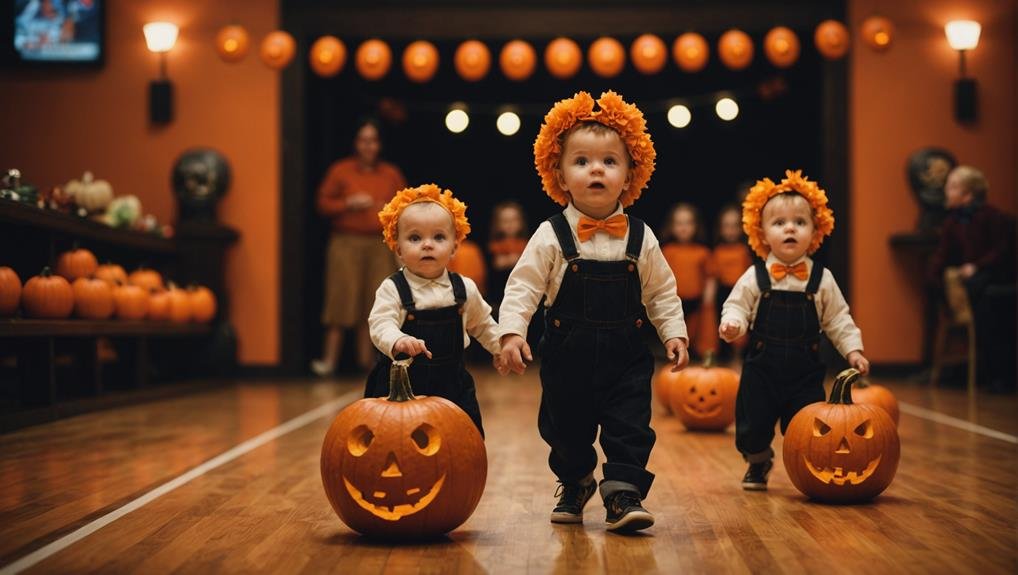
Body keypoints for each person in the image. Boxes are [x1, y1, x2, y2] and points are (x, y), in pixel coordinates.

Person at [498, 91, 689, 533]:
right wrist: (512, 333)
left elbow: (661, 291)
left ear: (629, 175)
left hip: (627, 355)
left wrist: (673, 332)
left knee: (630, 425)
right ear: (560, 176)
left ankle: (624, 492)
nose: (596, 169)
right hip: (568, 355)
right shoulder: (550, 235)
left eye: (609, 161)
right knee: (564, 427)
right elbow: (523, 286)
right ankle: (576, 479)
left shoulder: (642, 237)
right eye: (582, 161)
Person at [719, 170, 869, 491]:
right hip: (762, 368)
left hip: (805, 371)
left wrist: (852, 350)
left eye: (799, 222)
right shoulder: (755, 275)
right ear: (762, 232)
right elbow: (737, 306)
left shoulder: (822, 279)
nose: (790, 228)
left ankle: (810, 466)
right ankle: (758, 462)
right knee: (752, 425)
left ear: (815, 231)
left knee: (808, 426)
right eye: (779, 223)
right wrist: (733, 324)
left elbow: (838, 319)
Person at [366, 184, 503, 435]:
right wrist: (398, 340)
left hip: (453, 384)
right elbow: (379, 324)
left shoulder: (464, 288)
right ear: (398, 249)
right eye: (415, 238)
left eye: (438, 237)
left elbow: (483, 324)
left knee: (463, 439)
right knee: (398, 441)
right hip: (401, 386)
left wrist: (501, 347)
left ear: (454, 247)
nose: (427, 245)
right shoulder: (393, 288)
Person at [312, 118, 407, 376]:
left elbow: (405, 206)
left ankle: (369, 365)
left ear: (379, 145)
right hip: (346, 243)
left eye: (373, 140)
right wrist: (348, 204)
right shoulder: (341, 171)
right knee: (341, 299)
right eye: (364, 140)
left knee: (374, 301)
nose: (369, 146)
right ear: (356, 143)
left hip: (379, 245)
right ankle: (329, 361)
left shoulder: (390, 174)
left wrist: (387, 211)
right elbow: (322, 203)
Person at [927, 165, 1016, 390]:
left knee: (989, 301)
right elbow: (942, 255)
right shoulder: (952, 222)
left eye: (953, 187)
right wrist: (935, 277)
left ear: (968, 194)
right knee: (938, 286)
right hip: (972, 282)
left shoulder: (993, 217)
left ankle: (999, 374)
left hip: (996, 278)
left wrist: (976, 266)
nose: (947, 191)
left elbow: (1002, 251)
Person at [660, 202, 717, 359]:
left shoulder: (702, 252)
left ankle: (696, 358)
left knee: (694, 332)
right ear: (671, 226)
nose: (683, 227)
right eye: (679, 223)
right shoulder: (667, 251)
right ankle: (674, 357)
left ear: (696, 226)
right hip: (673, 303)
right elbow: (660, 277)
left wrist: (708, 296)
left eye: (688, 223)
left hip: (695, 300)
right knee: (674, 331)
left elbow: (710, 276)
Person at [711, 204, 754, 362]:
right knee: (723, 324)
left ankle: (740, 356)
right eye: (726, 226)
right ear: (720, 228)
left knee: (741, 324)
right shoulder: (718, 251)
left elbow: (750, 274)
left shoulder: (744, 251)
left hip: (741, 291)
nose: (730, 230)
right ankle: (724, 356)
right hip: (723, 291)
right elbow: (714, 276)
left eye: (734, 226)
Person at [486, 201, 530, 316]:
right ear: (498, 224)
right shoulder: (493, 246)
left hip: (523, 295)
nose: (510, 224)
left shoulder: (527, 244)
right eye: (505, 221)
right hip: (499, 297)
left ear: (521, 222)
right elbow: (496, 264)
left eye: (514, 220)